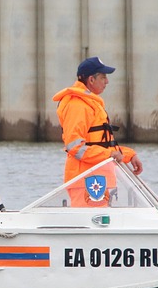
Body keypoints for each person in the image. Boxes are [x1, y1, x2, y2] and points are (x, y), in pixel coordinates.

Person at [52, 56, 143, 207]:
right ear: (91, 80)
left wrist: (129, 155)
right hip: (87, 181)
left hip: (96, 179)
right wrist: (108, 155)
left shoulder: (89, 104)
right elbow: (75, 147)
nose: (107, 81)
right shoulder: (78, 105)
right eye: (103, 77)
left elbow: (103, 144)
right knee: (90, 220)